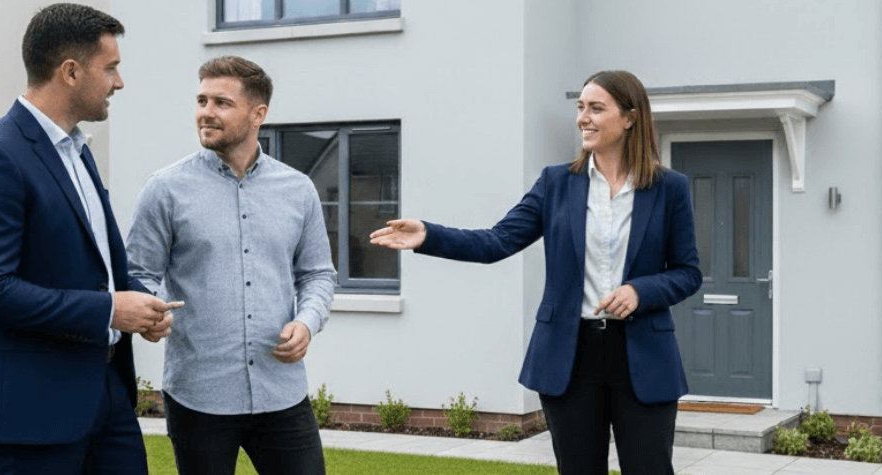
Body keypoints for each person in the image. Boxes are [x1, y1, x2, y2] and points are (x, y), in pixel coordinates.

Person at [370, 70, 701, 475]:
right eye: (580, 108)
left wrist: (640, 290)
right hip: (570, 356)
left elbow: (688, 272)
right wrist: (429, 236)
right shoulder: (556, 183)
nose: (584, 118)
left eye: (596, 108)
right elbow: (497, 242)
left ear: (630, 118)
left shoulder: (670, 188)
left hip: (645, 358)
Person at [0, 3, 176, 474]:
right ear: (70, 71)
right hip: (33, 410)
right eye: (110, 68)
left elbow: (99, 265)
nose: (119, 82)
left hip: (108, 393)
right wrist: (111, 310)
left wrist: (142, 304)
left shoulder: (79, 152)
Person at [125, 56, 336, 475]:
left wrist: (308, 322)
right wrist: (150, 310)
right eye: (201, 100)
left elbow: (317, 274)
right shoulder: (164, 189)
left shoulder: (298, 190)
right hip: (198, 395)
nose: (206, 112)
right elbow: (138, 274)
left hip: (282, 393)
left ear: (258, 114)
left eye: (221, 102)